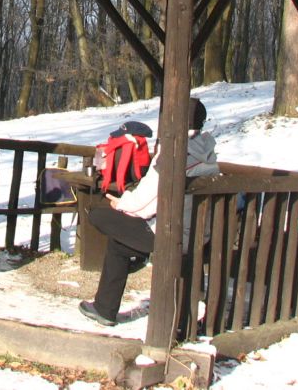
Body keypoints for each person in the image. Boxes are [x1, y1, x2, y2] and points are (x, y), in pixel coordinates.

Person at [79, 97, 218, 326]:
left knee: (97, 215)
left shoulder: (172, 155)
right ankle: (106, 306)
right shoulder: (207, 153)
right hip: (200, 233)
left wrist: (120, 204)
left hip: (172, 235)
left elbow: (142, 204)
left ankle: (106, 307)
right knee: (120, 243)